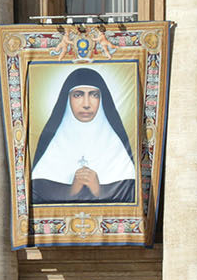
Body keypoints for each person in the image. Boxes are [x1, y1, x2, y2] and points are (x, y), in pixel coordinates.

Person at [29, 67, 136, 204]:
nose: (86, 104)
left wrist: (99, 191)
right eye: (78, 95)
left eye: (94, 95)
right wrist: (72, 191)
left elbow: (131, 199)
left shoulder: (117, 147)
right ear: (67, 99)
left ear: (102, 99)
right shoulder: (52, 146)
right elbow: (36, 200)